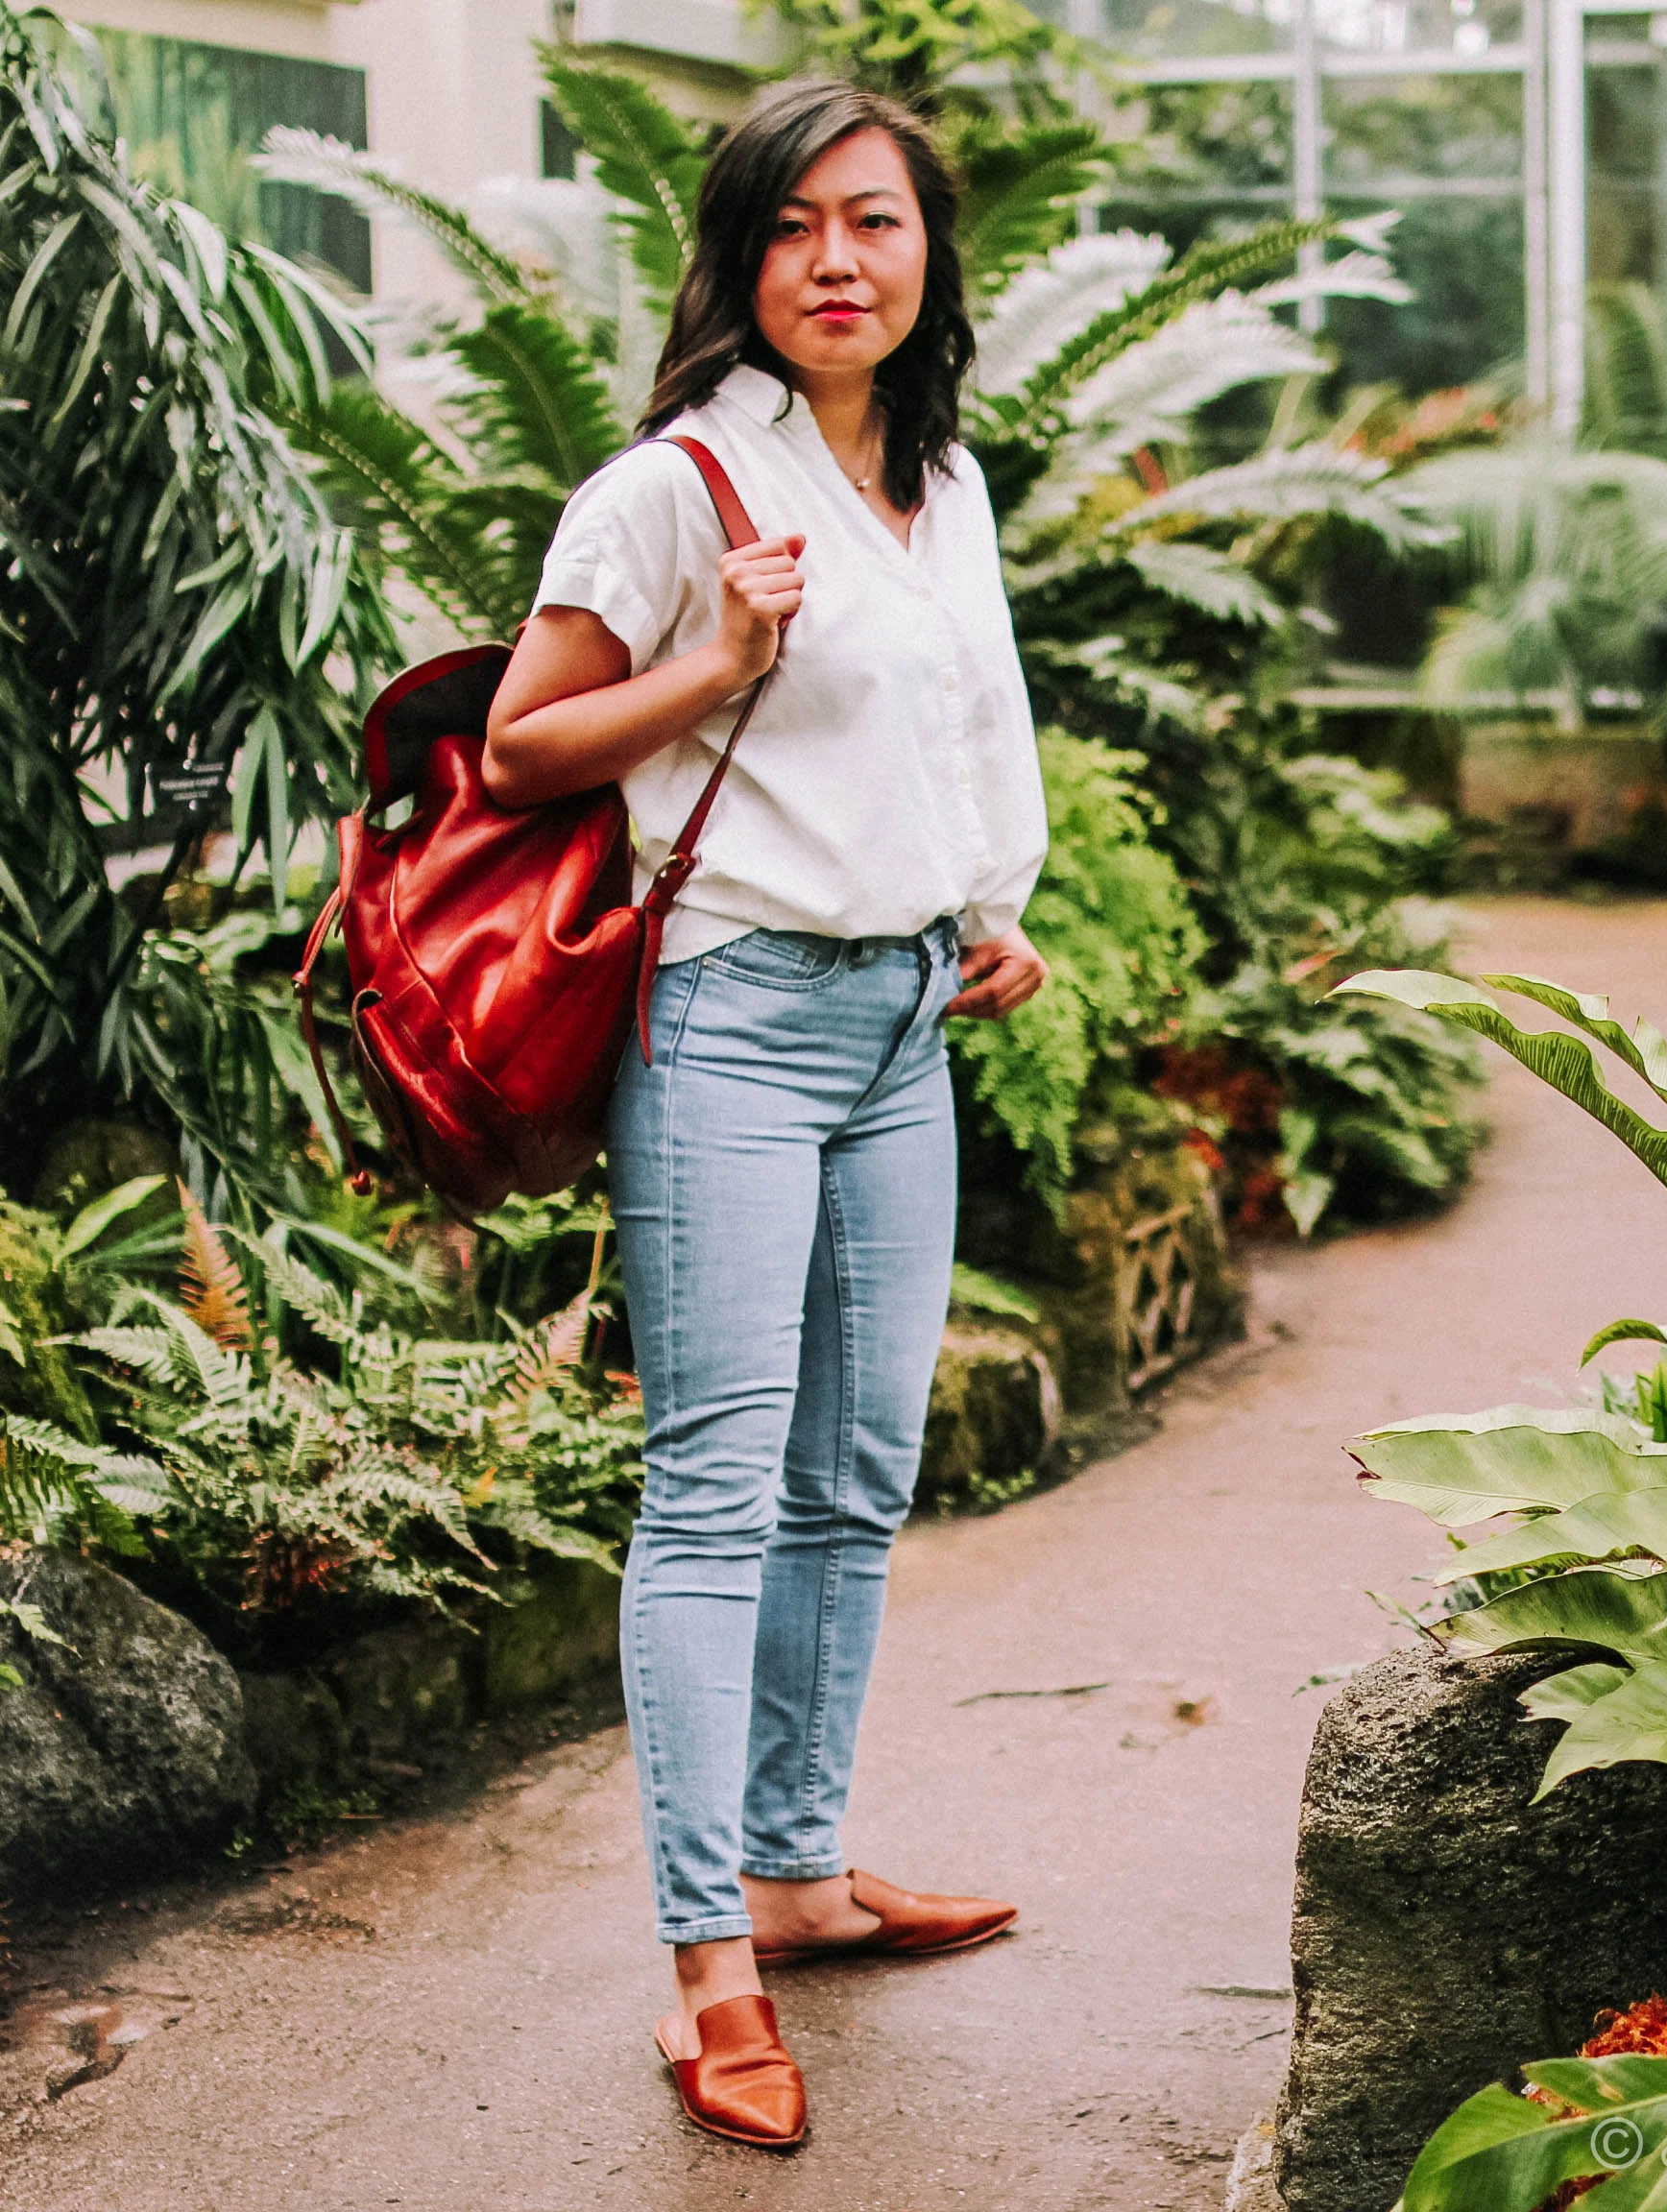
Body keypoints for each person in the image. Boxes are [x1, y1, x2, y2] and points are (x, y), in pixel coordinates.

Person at [481, 79, 1051, 2152]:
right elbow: (522, 745)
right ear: (737, 258)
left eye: (875, 221)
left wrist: (988, 907)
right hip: (726, 1014)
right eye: (794, 224)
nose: (837, 260)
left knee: (856, 1471)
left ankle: (799, 1872)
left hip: (905, 1020)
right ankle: (707, 1959)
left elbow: (958, 721)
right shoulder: (671, 488)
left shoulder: (942, 476)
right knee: (716, 1491)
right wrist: (715, 659)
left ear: (927, 255)